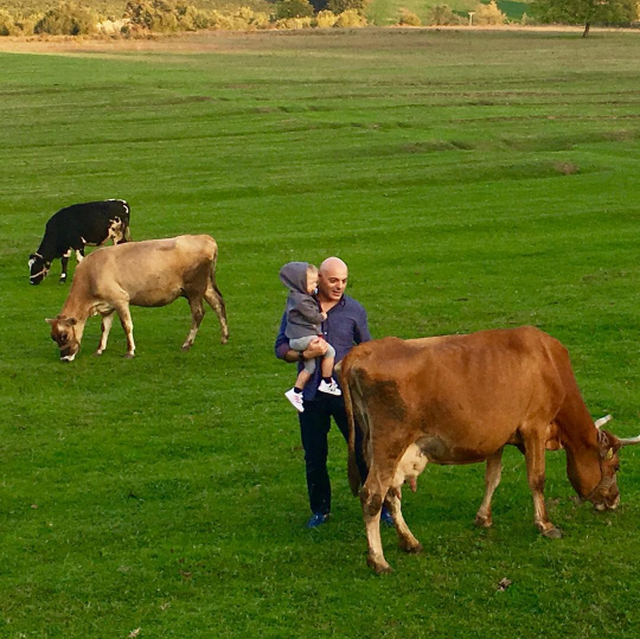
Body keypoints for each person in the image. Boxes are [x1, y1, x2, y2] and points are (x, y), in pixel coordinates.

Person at [275, 256, 393, 529]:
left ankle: (381, 506)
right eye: (333, 281)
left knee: (364, 451)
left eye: (344, 281)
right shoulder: (298, 304)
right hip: (311, 397)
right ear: (320, 281)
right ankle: (320, 511)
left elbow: (368, 349)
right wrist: (302, 354)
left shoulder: (354, 310)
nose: (339, 286)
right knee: (315, 456)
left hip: (347, 396)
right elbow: (280, 346)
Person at [279, 261, 342, 413]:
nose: (315, 287)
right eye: (313, 283)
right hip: (302, 339)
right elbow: (312, 316)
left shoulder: (297, 297)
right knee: (329, 351)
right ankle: (327, 381)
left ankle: (296, 391)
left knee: (310, 366)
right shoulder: (301, 300)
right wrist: (322, 315)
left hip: (299, 339)